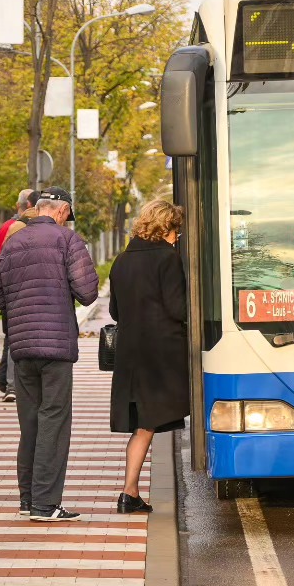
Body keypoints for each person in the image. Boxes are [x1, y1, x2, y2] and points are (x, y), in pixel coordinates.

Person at [0, 186, 99, 522]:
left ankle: (27, 499)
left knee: (30, 422)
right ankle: (45, 505)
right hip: (56, 347)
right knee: (54, 419)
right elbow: (88, 292)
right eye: (68, 215)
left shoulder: (13, 241)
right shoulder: (67, 240)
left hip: (21, 346)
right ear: (62, 210)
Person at [108, 200, 188, 514]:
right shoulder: (168, 258)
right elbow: (178, 308)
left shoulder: (122, 260)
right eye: (176, 230)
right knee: (147, 423)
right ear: (165, 227)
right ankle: (128, 493)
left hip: (130, 353)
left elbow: (115, 310)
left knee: (144, 424)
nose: (177, 236)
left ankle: (130, 492)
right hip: (160, 354)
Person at [0, 188, 38, 402]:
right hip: (25, 296)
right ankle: (11, 384)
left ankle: (7, 382)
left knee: (11, 339)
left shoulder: (7, 228)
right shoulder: (46, 230)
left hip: (11, 295)